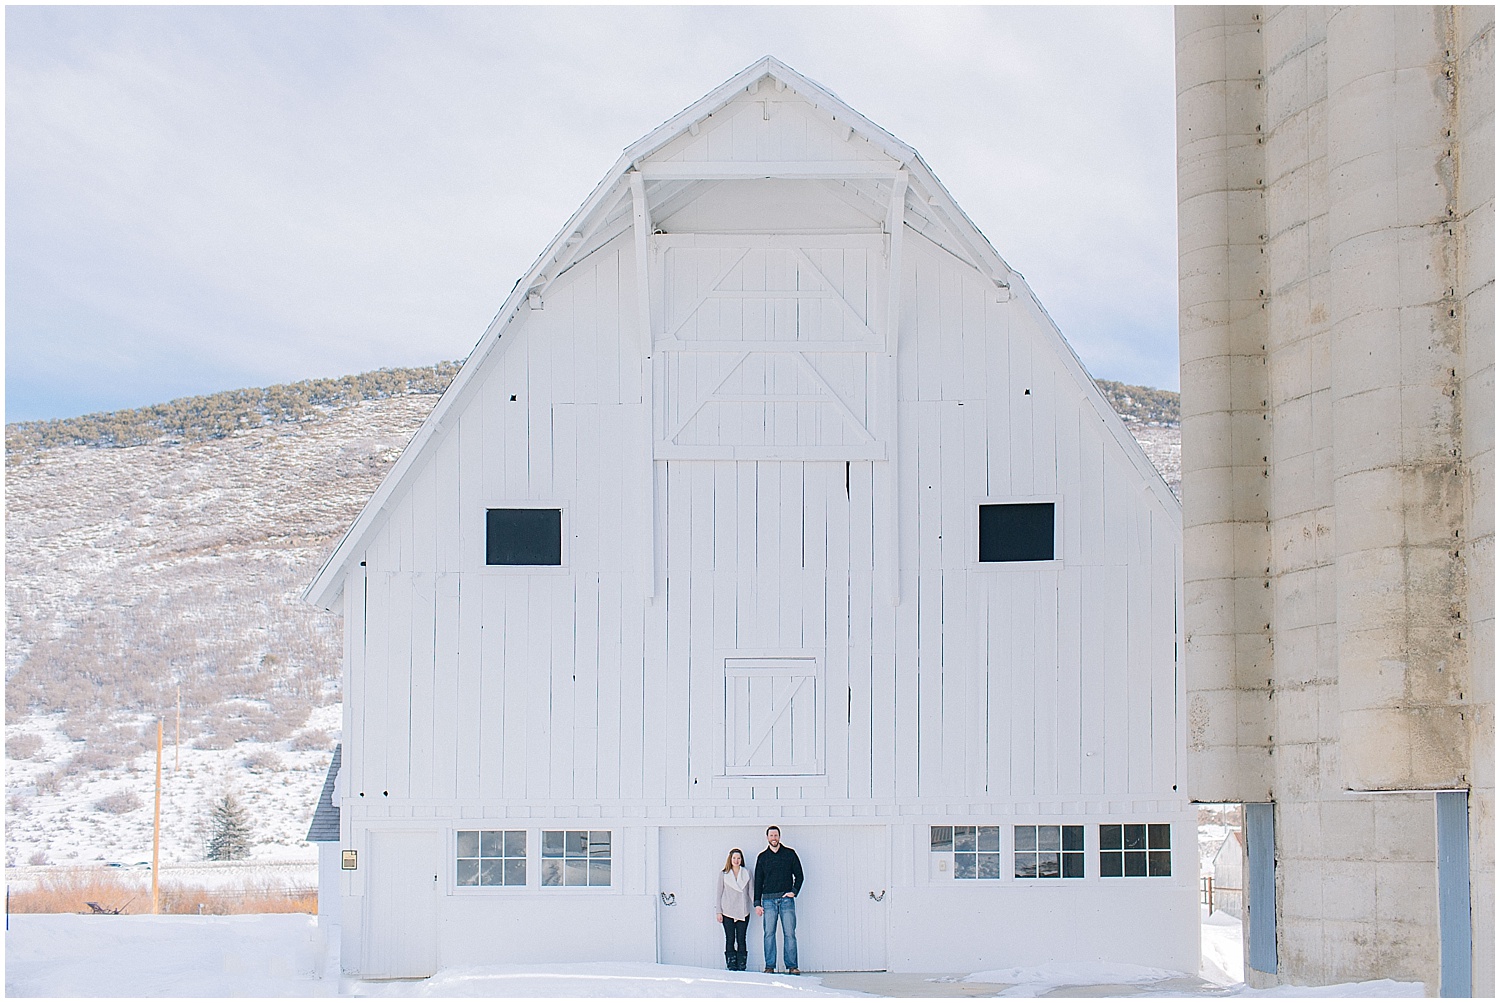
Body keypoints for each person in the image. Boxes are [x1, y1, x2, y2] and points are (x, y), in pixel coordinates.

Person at [753, 825, 803, 974]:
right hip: (768, 902)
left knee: (790, 933)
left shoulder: (789, 854)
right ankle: (770, 966)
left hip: (786, 900)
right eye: (771, 836)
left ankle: (792, 966)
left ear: (779, 837)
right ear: (767, 838)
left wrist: (794, 891)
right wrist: (757, 903)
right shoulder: (762, 857)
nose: (773, 838)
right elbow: (758, 882)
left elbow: (799, 875)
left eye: (776, 835)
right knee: (769, 934)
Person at [714, 848, 752, 971]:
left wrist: (757, 905)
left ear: (742, 860)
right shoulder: (724, 874)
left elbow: (751, 892)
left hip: (743, 911)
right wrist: (718, 911)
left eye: (738, 858)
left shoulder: (747, 873)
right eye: (734, 858)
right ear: (730, 859)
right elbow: (719, 893)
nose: (736, 860)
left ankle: (742, 964)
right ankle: (731, 965)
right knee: (730, 938)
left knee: (741, 938)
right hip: (727, 911)